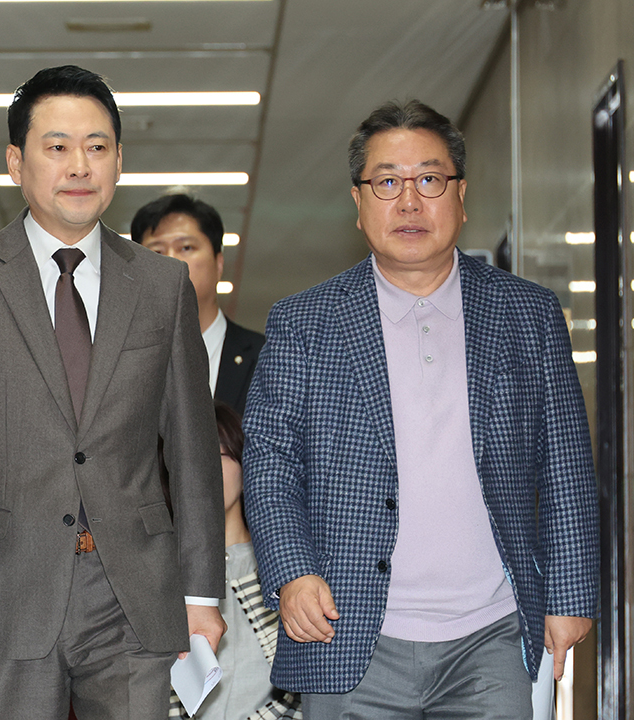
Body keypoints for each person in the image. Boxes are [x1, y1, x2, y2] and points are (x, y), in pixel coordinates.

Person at [242, 99, 598, 718]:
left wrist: (571, 594)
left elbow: (565, 463)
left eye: (429, 179)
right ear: (358, 203)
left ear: (461, 195)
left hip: (491, 634)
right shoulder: (305, 322)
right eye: (387, 183)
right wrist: (292, 572)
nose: (409, 202)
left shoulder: (528, 315)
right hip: (347, 630)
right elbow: (271, 462)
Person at [0, 65, 226, 720]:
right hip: (1, 584)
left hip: (134, 590)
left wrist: (201, 593)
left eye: (97, 146)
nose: (80, 165)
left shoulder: (163, 287)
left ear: (118, 161)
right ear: (16, 163)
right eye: (57, 146)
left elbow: (192, 449)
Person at [170, 401, 300, 720]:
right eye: (191, 460)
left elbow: (303, 687)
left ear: (245, 463)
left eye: (217, 455)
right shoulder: (163, 573)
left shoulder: (284, 569)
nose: (203, 471)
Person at [131, 194, 264, 414]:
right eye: (156, 252)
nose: (171, 262)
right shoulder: (119, 363)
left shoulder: (268, 357)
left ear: (219, 263)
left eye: (186, 248)